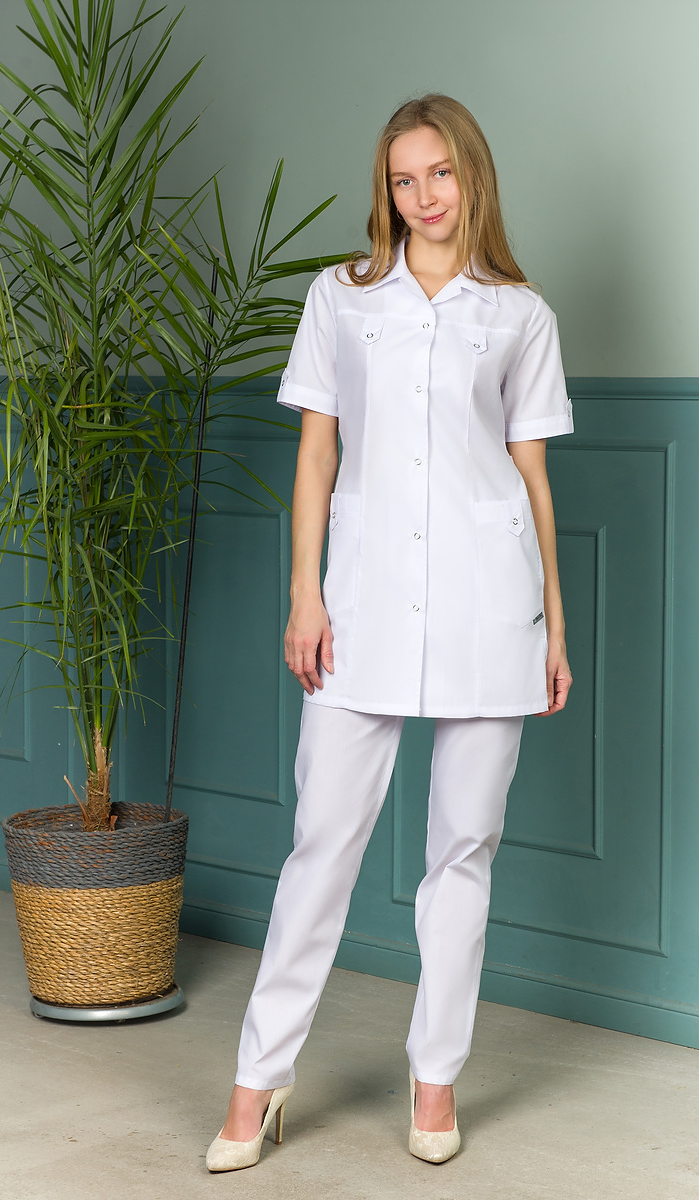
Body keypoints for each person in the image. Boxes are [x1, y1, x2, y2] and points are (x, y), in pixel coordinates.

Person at [206, 93, 573, 1173]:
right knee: (322, 844)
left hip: (490, 607)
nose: (424, 196)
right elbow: (317, 453)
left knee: (462, 853)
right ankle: (257, 1082)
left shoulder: (521, 314)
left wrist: (554, 622)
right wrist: (304, 594)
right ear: (387, 191)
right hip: (360, 603)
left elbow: (532, 476)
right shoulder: (342, 298)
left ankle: (435, 1079)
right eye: (404, 180)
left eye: (440, 174)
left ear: (473, 176)